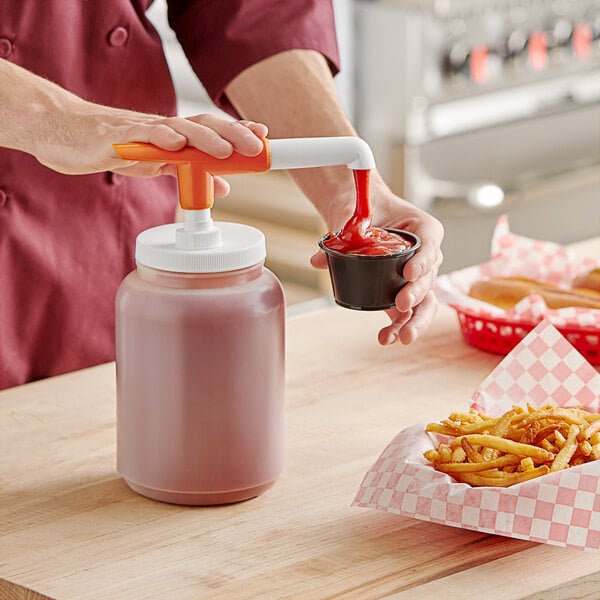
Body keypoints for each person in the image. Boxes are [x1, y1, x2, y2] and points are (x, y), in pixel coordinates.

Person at [0, 0, 444, 390]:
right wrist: (58, 119)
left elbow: (258, 12)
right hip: (117, 146)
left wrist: (347, 194)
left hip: (110, 226)